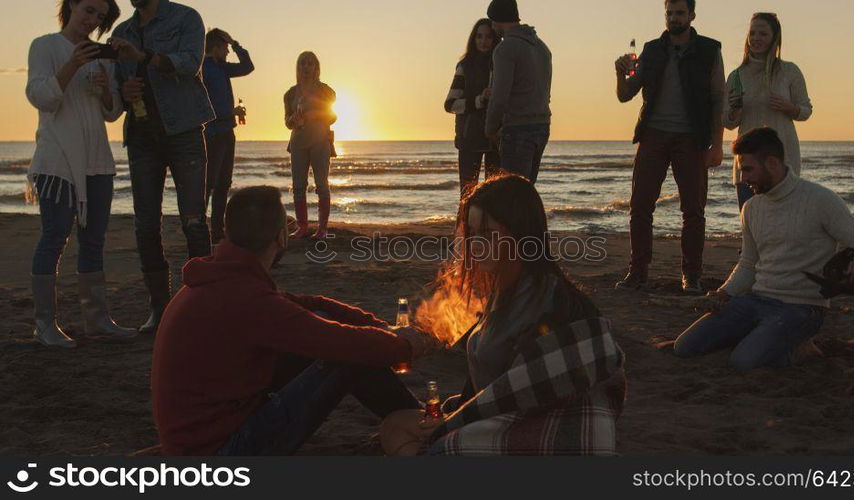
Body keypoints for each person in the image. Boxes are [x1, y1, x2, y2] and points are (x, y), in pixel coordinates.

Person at [151, 186, 437, 456]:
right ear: (281, 238)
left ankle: (420, 421)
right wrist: (405, 346)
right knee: (346, 355)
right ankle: (431, 430)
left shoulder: (223, 278)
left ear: (228, 232)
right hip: (222, 451)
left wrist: (381, 329)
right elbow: (339, 342)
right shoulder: (246, 299)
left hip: (208, 433)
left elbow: (308, 306)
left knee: (331, 333)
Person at [380, 175, 626, 456]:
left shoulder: (550, 304)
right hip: (499, 419)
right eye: (471, 234)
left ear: (520, 233)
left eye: (488, 234)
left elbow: (530, 395)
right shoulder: (502, 290)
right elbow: (491, 393)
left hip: (540, 430)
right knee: (396, 423)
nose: (475, 246)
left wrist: (454, 424)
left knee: (409, 438)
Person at [673, 127, 854, 370]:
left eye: (748, 169)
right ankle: (760, 337)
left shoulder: (821, 200)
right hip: (755, 300)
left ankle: (800, 349)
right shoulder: (751, 208)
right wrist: (724, 293)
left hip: (803, 308)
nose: (742, 178)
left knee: (743, 362)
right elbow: (748, 264)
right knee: (685, 347)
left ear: (772, 163)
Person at [25, 0, 136, 348]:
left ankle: (97, 319)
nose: (92, 20)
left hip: (97, 161)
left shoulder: (102, 56)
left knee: (94, 240)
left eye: (100, 17)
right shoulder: (45, 45)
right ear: (71, 5)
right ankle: (44, 324)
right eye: (88, 10)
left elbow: (112, 112)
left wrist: (106, 87)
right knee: (54, 236)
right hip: (57, 160)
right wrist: (73, 64)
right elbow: (41, 97)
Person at [109, 0, 216, 334]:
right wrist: (122, 92)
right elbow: (114, 87)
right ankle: (160, 309)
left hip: (184, 129)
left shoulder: (186, 18)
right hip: (141, 136)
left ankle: (202, 306)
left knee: (195, 221)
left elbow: (188, 64)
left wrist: (142, 57)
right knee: (145, 226)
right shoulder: (122, 31)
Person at [614, 0, 725, 294]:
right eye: (669, 13)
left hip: (691, 138)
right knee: (640, 206)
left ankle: (692, 275)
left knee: (693, 210)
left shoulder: (709, 50)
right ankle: (637, 272)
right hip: (653, 135)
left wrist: (717, 145)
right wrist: (619, 72)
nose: (674, 18)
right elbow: (626, 95)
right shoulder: (652, 49)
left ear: (691, 15)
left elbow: (718, 99)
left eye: (679, 13)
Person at [724, 13, 812, 210]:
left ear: (774, 37)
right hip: (747, 157)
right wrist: (735, 109)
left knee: (784, 220)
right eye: (752, 33)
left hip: (782, 155)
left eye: (763, 33)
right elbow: (727, 122)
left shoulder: (789, 71)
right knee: (750, 218)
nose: (756, 38)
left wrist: (790, 108)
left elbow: (806, 110)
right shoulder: (737, 75)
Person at [484, 0, 552, 184]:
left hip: (518, 128)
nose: (491, 26)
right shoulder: (542, 47)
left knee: (512, 195)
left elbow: (499, 97)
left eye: (492, 21)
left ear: (498, 20)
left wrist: (490, 129)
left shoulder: (505, 49)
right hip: (542, 125)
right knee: (526, 192)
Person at [202, 28, 255, 242]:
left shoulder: (222, 68)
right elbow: (205, 107)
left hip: (227, 132)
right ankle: (198, 225)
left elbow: (248, 67)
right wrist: (229, 112)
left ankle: (217, 230)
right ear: (215, 48)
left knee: (224, 183)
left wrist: (235, 43)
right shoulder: (203, 69)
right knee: (209, 182)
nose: (227, 52)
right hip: (212, 133)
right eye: (225, 48)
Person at [445, 18, 501, 199]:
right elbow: (450, 104)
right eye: (479, 37)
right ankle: (464, 227)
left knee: (494, 194)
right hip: (470, 137)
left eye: (488, 37)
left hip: (496, 138)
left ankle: (489, 228)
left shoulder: (501, 64)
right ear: (473, 39)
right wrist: (479, 100)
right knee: (467, 193)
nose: (483, 41)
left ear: (494, 39)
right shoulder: (465, 66)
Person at [283, 51, 337, 240]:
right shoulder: (290, 93)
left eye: (310, 64)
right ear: (298, 68)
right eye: (302, 64)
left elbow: (333, 116)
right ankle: (302, 226)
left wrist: (316, 114)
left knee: (321, 185)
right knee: (298, 186)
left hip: (320, 140)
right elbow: (287, 122)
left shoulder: (325, 91)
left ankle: (322, 228)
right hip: (298, 141)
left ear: (316, 67)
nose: (306, 67)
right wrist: (294, 119)